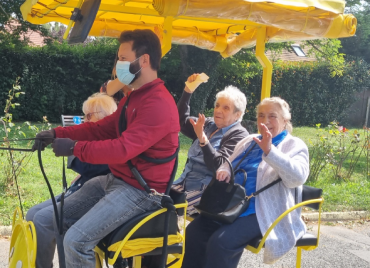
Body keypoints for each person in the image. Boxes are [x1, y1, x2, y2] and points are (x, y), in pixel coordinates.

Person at [31, 29, 180, 268]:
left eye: (122, 58)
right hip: (114, 181)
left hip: (141, 193)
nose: (118, 64)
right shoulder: (134, 97)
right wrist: (57, 133)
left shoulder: (159, 103)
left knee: (75, 243)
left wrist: (75, 148)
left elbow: (122, 149)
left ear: (143, 60)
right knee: (47, 219)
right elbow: (99, 129)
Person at [182, 97, 309, 268]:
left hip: (263, 210)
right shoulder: (250, 140)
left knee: (221, 243)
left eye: (272, 116)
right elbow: (229, 163)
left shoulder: (294, 145)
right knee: (195, 232)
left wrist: (270, 151)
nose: (265, 121)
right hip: (231, 204)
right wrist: (224, 171)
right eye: (261, 116)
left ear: (285, 120)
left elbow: (298, 178)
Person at [26, 93, 117, 268]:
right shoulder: (93, 137)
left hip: (98, 197)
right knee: (32, 214)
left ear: (102, 116)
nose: (84, 120)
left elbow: (91, 168)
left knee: (44, 219)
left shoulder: (109, 142)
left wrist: (71, 150)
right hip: (81, 190)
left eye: (88, 115)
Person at [173, 74, 249, 216]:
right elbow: (180, 121)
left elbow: (219, 166)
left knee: (165, 210)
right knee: (152, 201)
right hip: (182, 184)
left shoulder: (238, 134)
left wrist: (203, 139)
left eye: (226, 108)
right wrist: (188, 91)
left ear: (237, 114)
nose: (218, 110)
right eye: (217, 105)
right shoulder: (208, 124)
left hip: (205, 192)